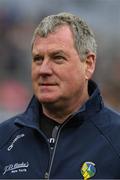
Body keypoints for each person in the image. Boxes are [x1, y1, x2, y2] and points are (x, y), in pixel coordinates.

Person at [0, 12, 120, 179]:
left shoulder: (115, 138)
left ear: (88, 65)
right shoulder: (4, 139)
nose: (44, 69)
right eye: (38, 59)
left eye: (58, 58)